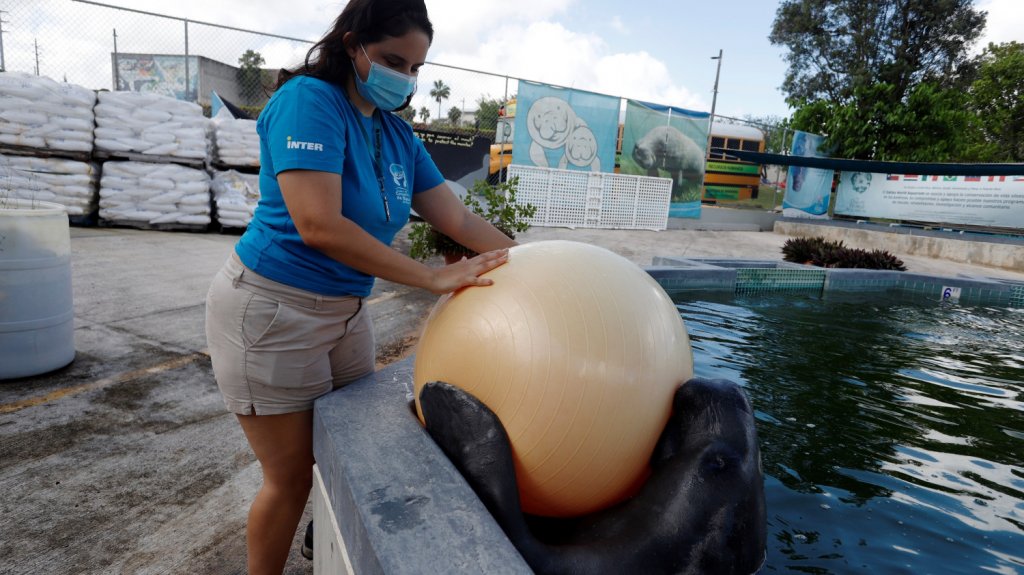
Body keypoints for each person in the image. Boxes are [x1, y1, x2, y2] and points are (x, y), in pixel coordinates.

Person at [203, 1, 515, 573]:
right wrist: (431, 277)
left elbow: (458, 219)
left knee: (351, 450)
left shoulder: (394, 133)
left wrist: (533, 263)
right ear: (352, 45)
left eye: (416, 68)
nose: (406, 78)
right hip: (273, 309)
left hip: (347, 313)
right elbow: (318, 224)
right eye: (394, 61)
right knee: (290, 477)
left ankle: (325, 540)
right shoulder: (308, 102)